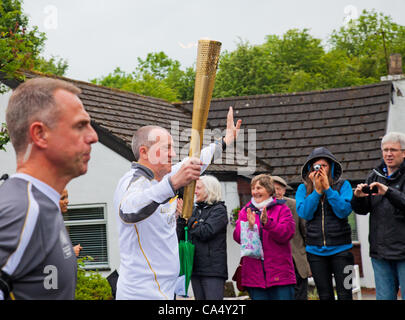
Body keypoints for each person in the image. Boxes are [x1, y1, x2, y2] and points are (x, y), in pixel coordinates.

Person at [114, 107, 241, 300]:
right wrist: (172, 184)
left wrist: (225, 140)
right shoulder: (133, 181)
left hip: (165, 289)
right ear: (144, 152)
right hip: (140, 292)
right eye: (167, 148)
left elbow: (197, 161)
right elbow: (129, 210)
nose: (173, 154)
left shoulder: (163, 178)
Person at [0, 78, 98, 300]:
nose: (93, 137)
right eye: (80, 125)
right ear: (40, 134)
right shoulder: (21, 212)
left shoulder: (45, 204)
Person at [351, 132, 405, 300]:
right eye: (385, 149)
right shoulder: (374, 175)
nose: (389, 154)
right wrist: (358, 198)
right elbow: (362, 210)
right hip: (380, 252)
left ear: (404, 152)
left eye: (393, 150)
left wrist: (388, 192)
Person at [295, 147, 354, 300]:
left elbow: (344, 210)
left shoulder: (343, 185)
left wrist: (328, 189)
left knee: (345, 293)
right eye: (316, 166)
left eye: (324, 166)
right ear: (310, 168)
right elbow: (304, 213)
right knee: (325, 295)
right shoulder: (303, 189)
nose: (320, 169)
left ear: (331, 167)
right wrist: (317, 192)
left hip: (343, 250)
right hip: (315, 252)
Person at [233, 174, 296, 300]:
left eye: (259, 188)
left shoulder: (282, 209)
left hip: (280, 275)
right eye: (253, 188)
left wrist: (268, 223)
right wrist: (248, 227)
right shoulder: (246, 211)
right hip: (254, 277)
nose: (255, 192)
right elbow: (237, 237)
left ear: (269, 190)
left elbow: (287, 233)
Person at [177, 175, 228, 300]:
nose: (195, 191)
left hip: (212, 271)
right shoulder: (194, 210)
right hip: (194, 267)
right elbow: (180, 236)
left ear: (209, 190)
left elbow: (206, 231)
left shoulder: (219, 211)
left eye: (198, 188)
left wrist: (189, 218)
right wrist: (181, 218)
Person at [272, 175, 311, 300]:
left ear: (284, 190)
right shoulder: (262, 207)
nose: (277, 192)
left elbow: (305, 233)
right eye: (273, 188)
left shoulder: (294, 205)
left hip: (296, 260)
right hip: (275, 263)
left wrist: (308, 260)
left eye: (280, 188)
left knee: (300, 295)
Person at [59, 189, 83, 257]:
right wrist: (71, 252)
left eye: (67, 197)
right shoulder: (48, 223)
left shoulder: (57, 220)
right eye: (62, 198)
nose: (67, 201)